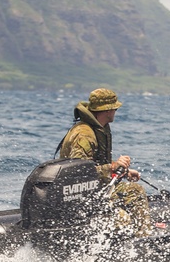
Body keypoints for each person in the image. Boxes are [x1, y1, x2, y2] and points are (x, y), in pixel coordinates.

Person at [57, 88, 153, 235]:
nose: (115, 111)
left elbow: (93, 164)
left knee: (135, 190)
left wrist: (121, 170)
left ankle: (143, 237)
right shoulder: (84, 135)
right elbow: (79, 173)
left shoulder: (96, 129)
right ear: (108, 111)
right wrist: (113, 166)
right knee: (122, 219)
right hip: (80, 197)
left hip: (95, 190)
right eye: (114, 108)